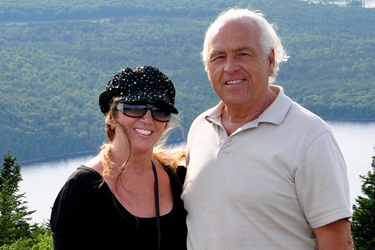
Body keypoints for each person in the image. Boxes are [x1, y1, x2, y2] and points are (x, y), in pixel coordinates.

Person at [181, 8, 354, 250]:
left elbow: (339, 242)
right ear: (208, 68)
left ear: (270, 61)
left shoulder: (310, 136)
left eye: (243, 54)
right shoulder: (200, 128)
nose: (230, 67)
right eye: (218, 57)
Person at [51, 65, 187, 250]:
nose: (148, 119)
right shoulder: (82, 188)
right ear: (112, 117)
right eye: (134, 107)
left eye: (160, 110)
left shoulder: (177, 179)